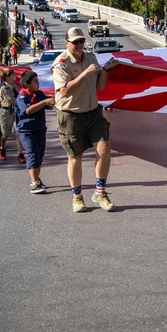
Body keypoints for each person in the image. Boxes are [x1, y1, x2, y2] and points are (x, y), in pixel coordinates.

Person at [52, 27, 114, 213]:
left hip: (93, 112)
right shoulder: (61, 63)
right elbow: (64, 91)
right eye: (75, 42)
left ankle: (100, 192)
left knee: (104, 148)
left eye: (81, 41)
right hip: (71, 115)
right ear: (66, 43)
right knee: (75, 157)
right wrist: (84, 73)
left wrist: (105, 70)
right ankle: (77, 197)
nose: (79, 45)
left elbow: (100, 87)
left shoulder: (91, 58)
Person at [15, 70, 54, 194]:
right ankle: (33, 183)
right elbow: (28, 111)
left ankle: (37, 179)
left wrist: (51, 102)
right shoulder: (22, 97)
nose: (38, 83)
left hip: (40, 130)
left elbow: (48, 106)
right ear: (27, 84)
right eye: (35, 82)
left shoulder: (39, 94)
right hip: (27, 131)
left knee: (39, 155)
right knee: (32, 154)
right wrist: (43, 102)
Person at [0, 68, 25, 162]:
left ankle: (20, 154)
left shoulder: (14, 86)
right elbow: (11, 100)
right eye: (13, 74)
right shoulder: (4, 88)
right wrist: (22, 99)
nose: (15, 76)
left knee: (18, 132)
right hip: (6, 112)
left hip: (15, 111)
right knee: (5, 133)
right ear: (8, 77)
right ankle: (2, 148)